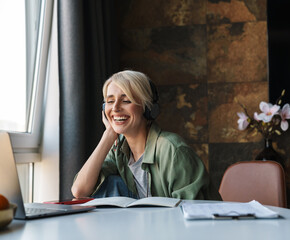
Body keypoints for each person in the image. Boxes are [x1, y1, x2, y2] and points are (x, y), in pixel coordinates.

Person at [71, 70, 221, 200]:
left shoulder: (172, 150)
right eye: (110, 101)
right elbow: (80, 191)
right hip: (147, 226)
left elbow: (192, 210)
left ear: (147, 108)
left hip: (183, 228)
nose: (115, 108)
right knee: (110, 184)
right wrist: (108, 134)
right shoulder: (119, 148)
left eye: (126, 100)